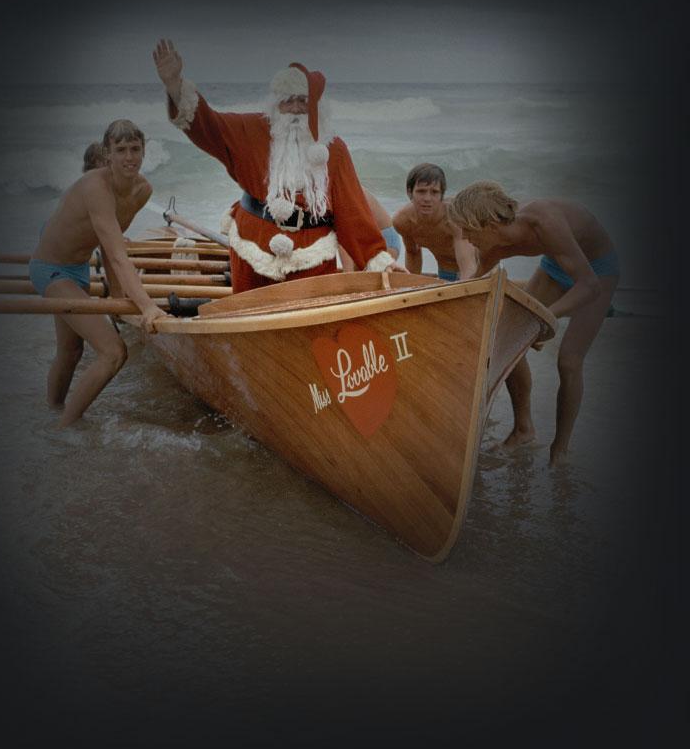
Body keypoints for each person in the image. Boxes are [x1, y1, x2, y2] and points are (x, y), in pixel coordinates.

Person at [152, 38, 405, 293]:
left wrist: (379, 260)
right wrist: (175, 86)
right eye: (288, 100)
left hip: (311, 259)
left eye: (302, 101)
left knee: (310, 324)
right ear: (276, 103)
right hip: (251, 251)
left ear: (315, 105)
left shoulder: (333, 150)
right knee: (248, 321)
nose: (295, 109)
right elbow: (209, 126)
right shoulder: (252, 131)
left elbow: (352, 212)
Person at [447, 181, 619, 465]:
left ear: (489, 224)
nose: (464, 237)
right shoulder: (496, 243)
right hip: (555, 266)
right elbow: (474, 280)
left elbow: (589, 286)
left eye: (468, 230)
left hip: (597, 272)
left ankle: (559, 452)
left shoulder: (544, 220)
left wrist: (544, 319)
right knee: (505, 342)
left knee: (569, 361)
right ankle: (523, 430)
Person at [29, 119, 167, 427]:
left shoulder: (142, 190)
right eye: (120, 150)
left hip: (77, 270)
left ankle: (51, 411)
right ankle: (67, 425)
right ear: (107, 154)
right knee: (113, 351)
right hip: (50, 270)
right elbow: (119, 257)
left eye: (135, 149)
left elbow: (109, 247)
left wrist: (119, 299)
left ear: (144, 151)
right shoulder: (96, 187)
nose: (129, 157)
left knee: (71, 350)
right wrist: (147, 305)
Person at [392, 163, 477, 280]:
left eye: (434, 192)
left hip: (479, 272)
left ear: (442, 195)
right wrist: (410, 286)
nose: (427, 198)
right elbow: (413, 253)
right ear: (409, 192)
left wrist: (467, 288)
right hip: (446, 272)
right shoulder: (403, 221)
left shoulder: (454, 217)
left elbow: (468, 265)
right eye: (421, 191)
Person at [339, 189, 401, 271]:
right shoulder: (343, 183)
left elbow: (345, 236)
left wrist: (347, 273)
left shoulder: (342, 189)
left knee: (357, 278)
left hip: (383, 240)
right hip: (371, 238)